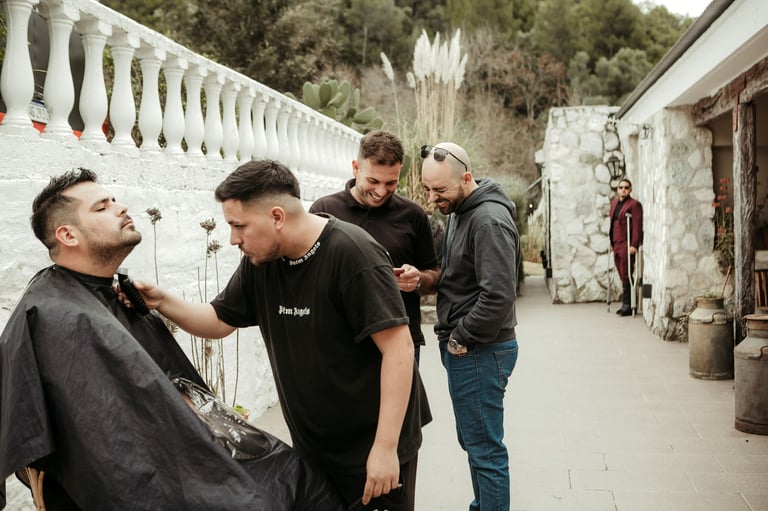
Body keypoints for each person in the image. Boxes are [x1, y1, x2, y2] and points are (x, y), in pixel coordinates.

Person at [0, 168, 344, 511]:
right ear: (68, 235)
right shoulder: (52, 317)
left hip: (186, 459)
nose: (121, 207)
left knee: (299, 477)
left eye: (114, 200)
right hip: (152, 483)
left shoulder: (113, 294)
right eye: (102, 207)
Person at [133, 159, 432, 510]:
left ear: (277, 217)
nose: (233, 239)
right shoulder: (262, 262)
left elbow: (399, 349)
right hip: (314, 449)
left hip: (371, 448)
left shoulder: (353, 254)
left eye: (239, 226)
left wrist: (385, 449)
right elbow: (218, 320)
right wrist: (161, 300)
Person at [420, 143, 520, 511]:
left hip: (479, 350)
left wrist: (460, 337)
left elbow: (498, 296)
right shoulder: (461, 210)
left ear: (466, 178)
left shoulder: (488, 220)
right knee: (475, 443)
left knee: (485, 450)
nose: (432, 198)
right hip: (471, 349)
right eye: (428, 189)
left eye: (439, 190)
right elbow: (459, 276)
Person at [309, 130, 440, 363]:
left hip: (401, 343)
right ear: (356, 168)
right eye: (373, 181)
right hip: (340, 344)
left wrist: (418, 279)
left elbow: (435, 276)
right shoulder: (324, 211)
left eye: (391, 183)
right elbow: (308, 278)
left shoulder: (414, 216)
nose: (381, 192)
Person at [609, 178, 643, 316]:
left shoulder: (634, 205)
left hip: (626, 243)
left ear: (630, 190)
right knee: (621, 272)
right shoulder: (614, 203)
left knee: (626, 272)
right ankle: (626, 302)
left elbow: (637, 226)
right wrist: (611, 242)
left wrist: (634, 244)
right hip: (616, 243)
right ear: (618, 189)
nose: (623, 189)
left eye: (626, 187)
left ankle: (628, 305)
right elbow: (612, 224)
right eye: (621, 187)